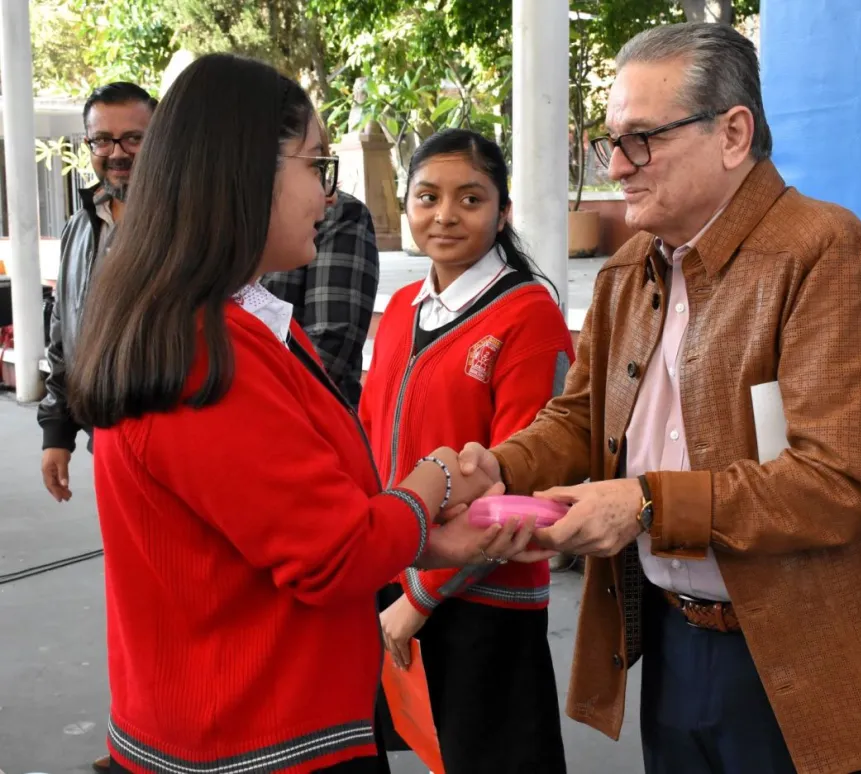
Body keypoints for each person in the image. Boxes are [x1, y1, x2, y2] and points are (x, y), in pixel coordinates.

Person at [459, 22, 861, 774]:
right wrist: (497, 471)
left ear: (734, 133)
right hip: (676, 639)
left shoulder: (827, 254)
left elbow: (840, 482)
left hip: (810, 657)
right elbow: (580, 416)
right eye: (610, 143)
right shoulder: (631, 268)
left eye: (642, 140)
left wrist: (644, 506)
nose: (619, 167)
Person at [67, 54, 539, 774]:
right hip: (260, 737)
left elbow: (302, 521)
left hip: (243, 718)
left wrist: (434, 540)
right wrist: (437, 478)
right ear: (245, 171)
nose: (330, 196)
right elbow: (334, 550)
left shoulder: (231, 323)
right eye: (316, 164)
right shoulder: (206, 350)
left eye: (470, 199)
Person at [359, 129, 572, 774]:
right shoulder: (401, 306)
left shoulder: (527, 316)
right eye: (427, 197)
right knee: (422, 747)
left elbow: (522, 487)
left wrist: (418, 600)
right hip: (393, 575)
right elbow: (372, 434)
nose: (444, 215)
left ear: (503, 213)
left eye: (470, 199)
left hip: (483, 597)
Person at [38, 82, 157, 504]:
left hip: (171, 446)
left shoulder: (188, 228)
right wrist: (57, 431)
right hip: (104, 441)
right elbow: (62, 335)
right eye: (102, 140)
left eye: (134, 138)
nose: (118, 152)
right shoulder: (81, 225)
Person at [262, 179, 379, 408]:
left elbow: (329, 347)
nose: (330, 196)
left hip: (306, 416)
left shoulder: (338, 212)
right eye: (314, 166)